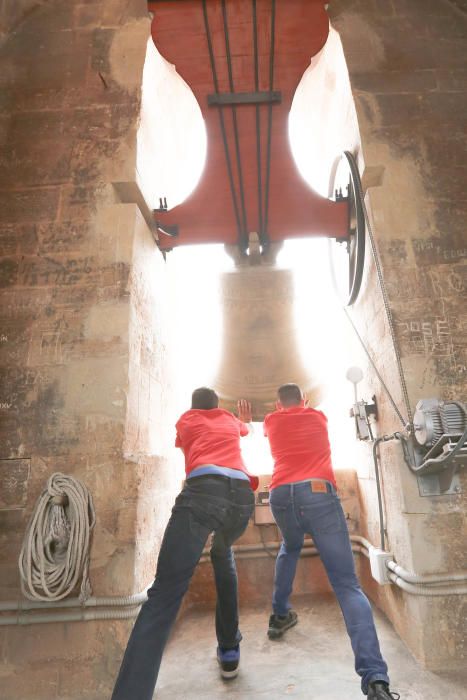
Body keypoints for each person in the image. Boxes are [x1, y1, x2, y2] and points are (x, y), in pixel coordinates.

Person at [111, 388, 257, 700]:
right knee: (223, 554)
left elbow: (183, 443)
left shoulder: (187, 420)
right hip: (242, 499)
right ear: (218, 407)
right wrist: (243, 421)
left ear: (194, 407)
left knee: (164, 596)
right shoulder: (230, 421)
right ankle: (229, 652)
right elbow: (245, 427)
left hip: (204, 494)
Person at [263, 383, 400, 700]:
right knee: (347, 585)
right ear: (305, 400)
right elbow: (303, 414)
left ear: (277, 403)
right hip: (318, 493)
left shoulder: (271, 422)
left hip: (281, 494)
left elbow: (273, 421)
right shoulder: (318, 417)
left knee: (290, 547)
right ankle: (376, 681)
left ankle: (279, 614)